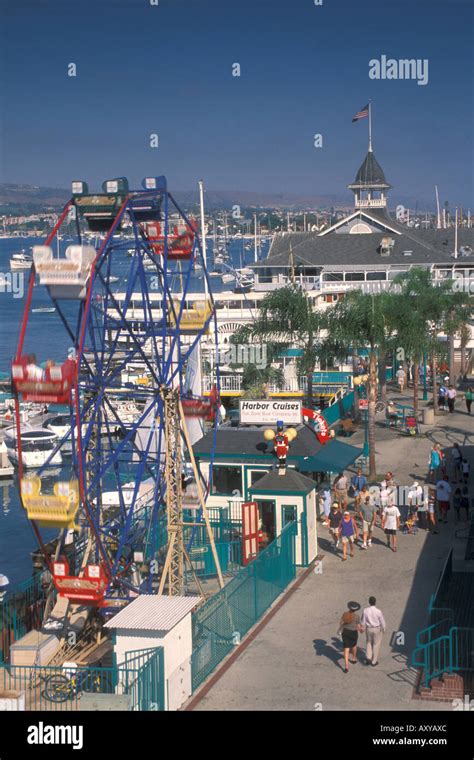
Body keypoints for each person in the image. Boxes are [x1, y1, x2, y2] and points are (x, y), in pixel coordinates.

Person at [337, 601, 363, 673]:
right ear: (356, 609)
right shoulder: (356, 617)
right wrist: (361, 630)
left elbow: (341, 623)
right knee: (354, 645)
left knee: (346, 649)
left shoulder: (345, 614)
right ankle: (354, 658)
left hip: (345, 632)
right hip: (353, 633)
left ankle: (346, 666)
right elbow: (358, 626)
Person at [361, 596, 386, 667]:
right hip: (377, 629)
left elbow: (363, 621)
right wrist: (384, 628)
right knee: (376, 644)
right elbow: (382, 621)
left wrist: (362, 627)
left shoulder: (365, 610)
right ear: (375, 602)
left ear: (369, 602)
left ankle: (368, 657)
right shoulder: (378, 611)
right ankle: (374, 661)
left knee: (368, 643)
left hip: (369, 628)